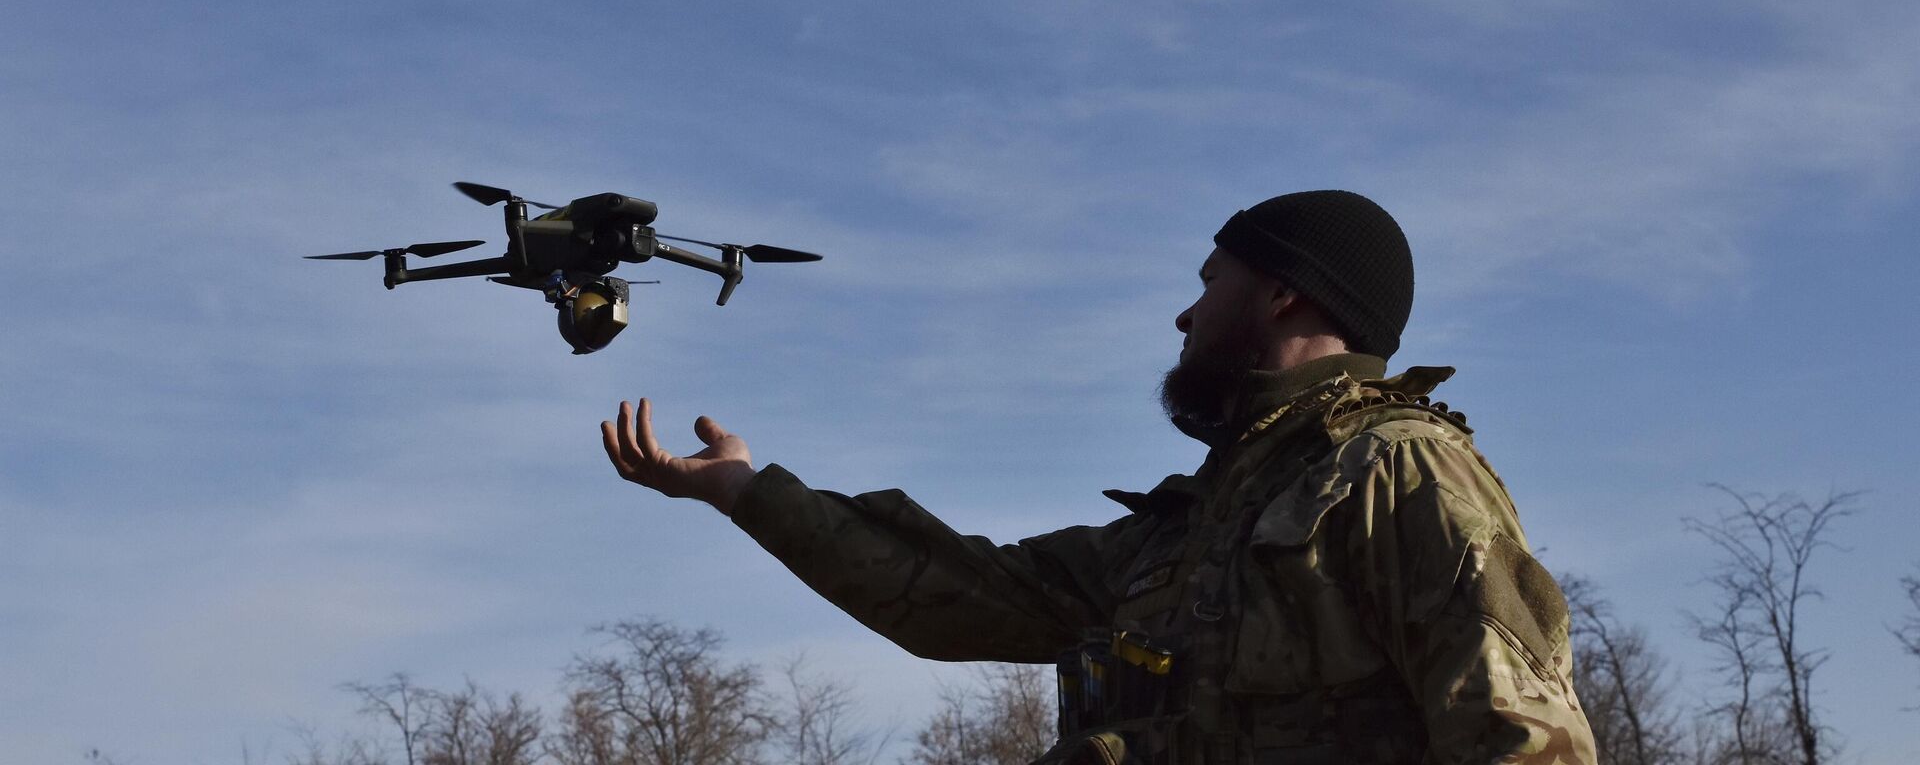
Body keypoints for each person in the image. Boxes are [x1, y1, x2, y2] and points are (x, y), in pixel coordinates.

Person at [600, 190, 1596, 764]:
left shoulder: (1396, 470)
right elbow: (953, 600)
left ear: (1286, 291)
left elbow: (1526, 743)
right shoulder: (1190, 527)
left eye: (1210, 284)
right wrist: (744, 493)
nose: (1184, 316)